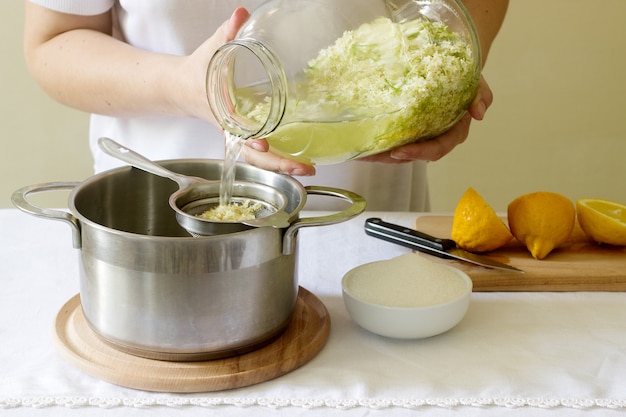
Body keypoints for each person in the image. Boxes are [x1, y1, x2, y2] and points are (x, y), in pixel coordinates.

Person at [23, 0, 508, 211]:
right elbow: (54, 40)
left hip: (361, 211)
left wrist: (451, 62)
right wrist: (182, 86)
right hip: (157, 221)